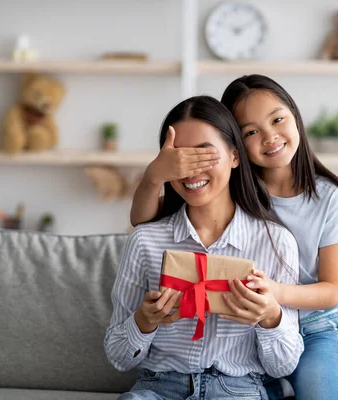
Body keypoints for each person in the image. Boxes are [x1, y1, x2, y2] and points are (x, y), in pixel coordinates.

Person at [129, 75, 338, 399]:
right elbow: (143, 219)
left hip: (313, 326)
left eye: (278, 119)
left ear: (295, 116)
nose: (269, 137)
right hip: (253, 331)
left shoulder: (328, 196)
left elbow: (332, 291)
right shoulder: (231, 189)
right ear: (235, 144)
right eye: (251, 131)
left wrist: (274, 294)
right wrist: (156, 174)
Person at [105, 95, 303, 400]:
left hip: (238, 389)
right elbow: (118, 356)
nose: (191, 171)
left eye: (204, 155)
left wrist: (270, 316)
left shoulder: (275, 242)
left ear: (235, 156)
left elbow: (284, 365)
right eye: (180, 159)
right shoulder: (145, 241)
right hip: (159, 387)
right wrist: (144, 321)